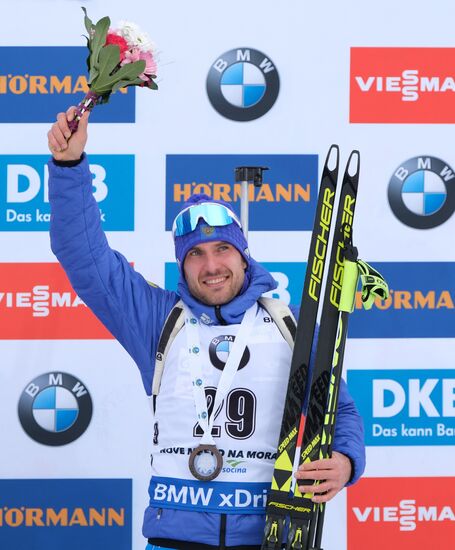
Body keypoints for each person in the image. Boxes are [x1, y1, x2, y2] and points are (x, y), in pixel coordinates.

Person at [47, 108, 365, 550]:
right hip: (173, 537)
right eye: (195, 254)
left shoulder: (289, 323)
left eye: (222, 249)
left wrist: (346, 461)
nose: (211, 266)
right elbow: (83, 255)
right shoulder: (158, 319)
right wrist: (69, 167)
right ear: (181, 264)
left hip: (269, 535)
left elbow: (339, 409)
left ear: (243, 254)